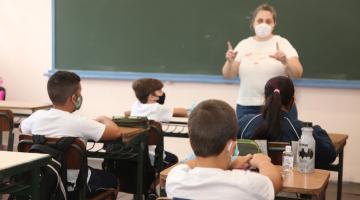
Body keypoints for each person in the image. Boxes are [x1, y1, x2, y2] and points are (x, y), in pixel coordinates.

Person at [20, 71, 142, 199]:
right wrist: (103, 118)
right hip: (73, 187)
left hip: (40, 182)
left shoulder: (36, 117)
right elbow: (116, 132)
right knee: (112, 179)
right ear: (74, 98)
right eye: (80, 93)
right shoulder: (80, 122)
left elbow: (23, 128)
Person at [166, 99, 282, 199]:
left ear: (191, 143)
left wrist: (231, 164)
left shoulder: (175, 179)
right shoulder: (248, 184)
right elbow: (274, 183)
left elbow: (187, 165)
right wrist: (262, 161)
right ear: (232, 146)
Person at [222, 3, 303, 120]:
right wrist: (229, 62)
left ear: (274, 24)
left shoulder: (282, 43)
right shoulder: (244, 44)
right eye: (260, 20)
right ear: (253, 23)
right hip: (247, 106)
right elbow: (228, 75)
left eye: (268, 21)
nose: (263, 24)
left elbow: (298, 73)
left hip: (279, 106)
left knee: (281, 139)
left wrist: (285, 61)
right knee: (246, 138)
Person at [238, 76, 336, 166]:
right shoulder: (301, 131)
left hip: (253, 182)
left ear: (265, 99)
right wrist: (316, 130)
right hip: (291, 182)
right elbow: (328, 155)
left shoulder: (245, 124)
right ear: (292, 102)